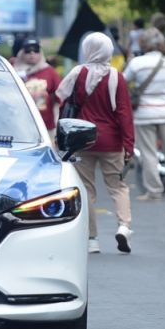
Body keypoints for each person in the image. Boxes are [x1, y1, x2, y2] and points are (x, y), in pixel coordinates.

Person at [56, 32, 135, 254]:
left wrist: (61, 137)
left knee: (87, 189)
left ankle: (92, 239)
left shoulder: (77, 74)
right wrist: (129, 145)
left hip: (83, 140)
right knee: (118, 186)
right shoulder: (116, 77)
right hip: (112, 141)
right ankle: (124, 226)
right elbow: (124, 113)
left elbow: (63, 103)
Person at [124, 27, 165, 202]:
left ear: (143, 43)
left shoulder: (137, 63)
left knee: (149, 153)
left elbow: (123, 81)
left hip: (145, 113)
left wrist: (129, 62)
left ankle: (154, 190)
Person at [13, 36, 61, 130]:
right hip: (20, 126)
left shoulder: (50, 72)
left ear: (40, 53)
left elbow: (60, 96)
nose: (32, 53)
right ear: (22, 53)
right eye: (28, 51)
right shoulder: (14, 71)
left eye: (36, 50)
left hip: (46, 127)